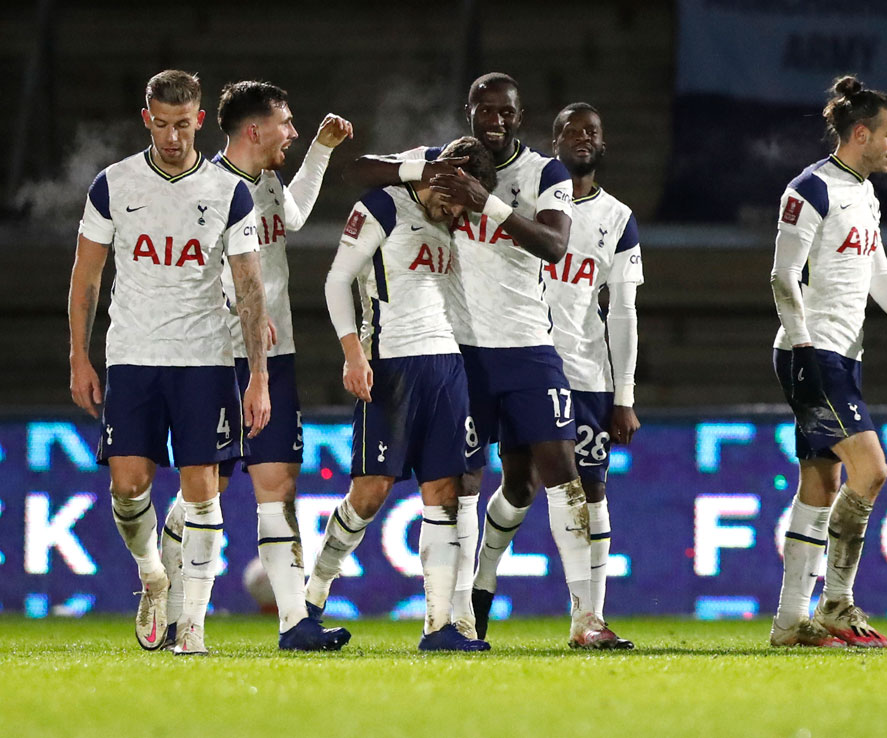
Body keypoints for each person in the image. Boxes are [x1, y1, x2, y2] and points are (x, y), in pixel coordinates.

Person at [342, 73, 617, 648]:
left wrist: (482, 200)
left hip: (527, 348)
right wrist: (428, 172)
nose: (494, 122)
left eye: (505, 113)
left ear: (521, 116)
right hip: (461, 350)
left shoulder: (546, 172)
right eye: (484, 111)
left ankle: (586, 619)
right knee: (461, 483)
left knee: (562, 476)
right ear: (468, 112)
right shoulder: (446, 159)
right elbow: (359, 167)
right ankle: (457, 616)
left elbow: (553, 244)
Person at [68, 69, 271, 656]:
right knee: (128, 489)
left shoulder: (229, 192)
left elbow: (250, 287)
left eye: (182, 125)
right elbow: (87, 276)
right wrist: (79, 356)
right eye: (161, 124)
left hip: (205, 358)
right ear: (146, 118)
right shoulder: (113, 184)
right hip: (132, 354)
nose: (172, 137)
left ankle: (193, 629)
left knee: (203, 491)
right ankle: (153, 575)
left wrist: (257, 376)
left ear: (200, 120)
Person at [155, 81, 354, 651]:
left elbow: (291, 218)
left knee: (278, 483)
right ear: (254, 129)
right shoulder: (202, 189)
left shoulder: (265, 180)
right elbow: (182, 274)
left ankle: (295, 623)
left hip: (278, 353)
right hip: (219, 355)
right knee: (207, 486)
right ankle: (175, 598)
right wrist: (237, 312)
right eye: (287, 124)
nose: (290, 132)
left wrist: (319, 150)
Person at [768, 75, 887, 648]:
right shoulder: (810, 190)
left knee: (821, 486)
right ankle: (838, 603)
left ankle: (790, 622)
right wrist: (803, 349)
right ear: (862, 133)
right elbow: (781, 277)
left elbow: (877, 273)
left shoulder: (864, 193)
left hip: (842, 354)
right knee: (872, 472)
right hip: (813, 353)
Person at [305, 137, 495, 651]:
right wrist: (352, 353)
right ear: (440, 174)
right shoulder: (383, 203)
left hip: (448, 365)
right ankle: (314, 592)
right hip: (392, 362)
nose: (457, 213)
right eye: (453, 197)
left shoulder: (456, 219)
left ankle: (438, 629)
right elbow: (336, 279)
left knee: (445, 496)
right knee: (370, 495)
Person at [470, 103, 642, 649]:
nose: (581, 138)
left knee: (589, 491)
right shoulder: (529, 195)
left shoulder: (617, 217)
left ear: (603, 143)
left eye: (592, 131)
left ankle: (587, 618)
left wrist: (624, 393)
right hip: (526, 358)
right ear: (552, 140)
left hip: (586, 371)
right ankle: (480, 589)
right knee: (518, 488)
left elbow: (623, 311)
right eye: (570, 130)